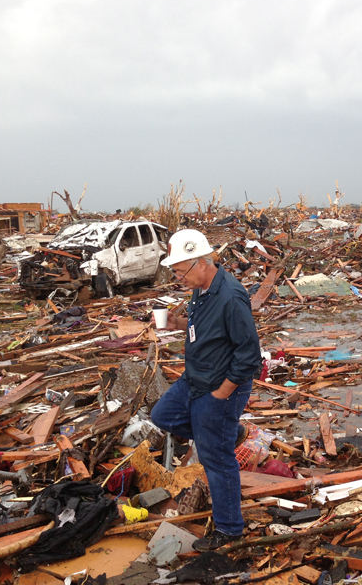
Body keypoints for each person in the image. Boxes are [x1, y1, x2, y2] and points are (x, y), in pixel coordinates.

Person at [150, 229, 261, 551]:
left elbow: (249, 355)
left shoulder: (230, 296)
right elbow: (206, 331)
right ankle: (230, 431)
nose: (178, 278)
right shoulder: (202, 290)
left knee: (217, 460)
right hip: (194, 379)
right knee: (163, 415)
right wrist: (177, 325)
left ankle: (229, 530)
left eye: (180, 271)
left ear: (200, 262)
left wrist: (222, 394)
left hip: (218, 387)